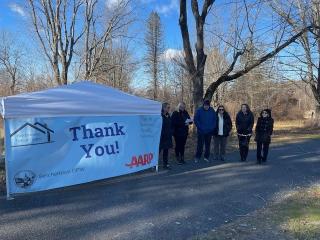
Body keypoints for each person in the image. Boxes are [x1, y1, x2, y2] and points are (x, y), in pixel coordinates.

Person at [160, 102, 173, 169]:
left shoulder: (168, 115)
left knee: (166, 150)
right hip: (161, 136)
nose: (169, 109)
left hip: (168, 136)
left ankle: (165, 164)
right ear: (163, 108)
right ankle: (154, 164)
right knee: (158, 151)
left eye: (169, 107)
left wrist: (171, 131)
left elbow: (170, 124)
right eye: (168, 107)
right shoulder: (160, 115)